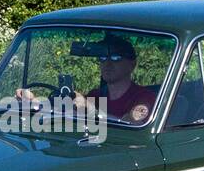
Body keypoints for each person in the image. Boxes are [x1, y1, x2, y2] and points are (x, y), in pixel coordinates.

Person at [16, 34, 156, 123]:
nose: (107, 63)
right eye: (102, 57)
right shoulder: (96, 95)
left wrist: (91, 111)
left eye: (115, 57)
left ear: (132, 64)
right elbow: (63, 112)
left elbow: (130, 125)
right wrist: (33, 102)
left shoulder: (145, 98)